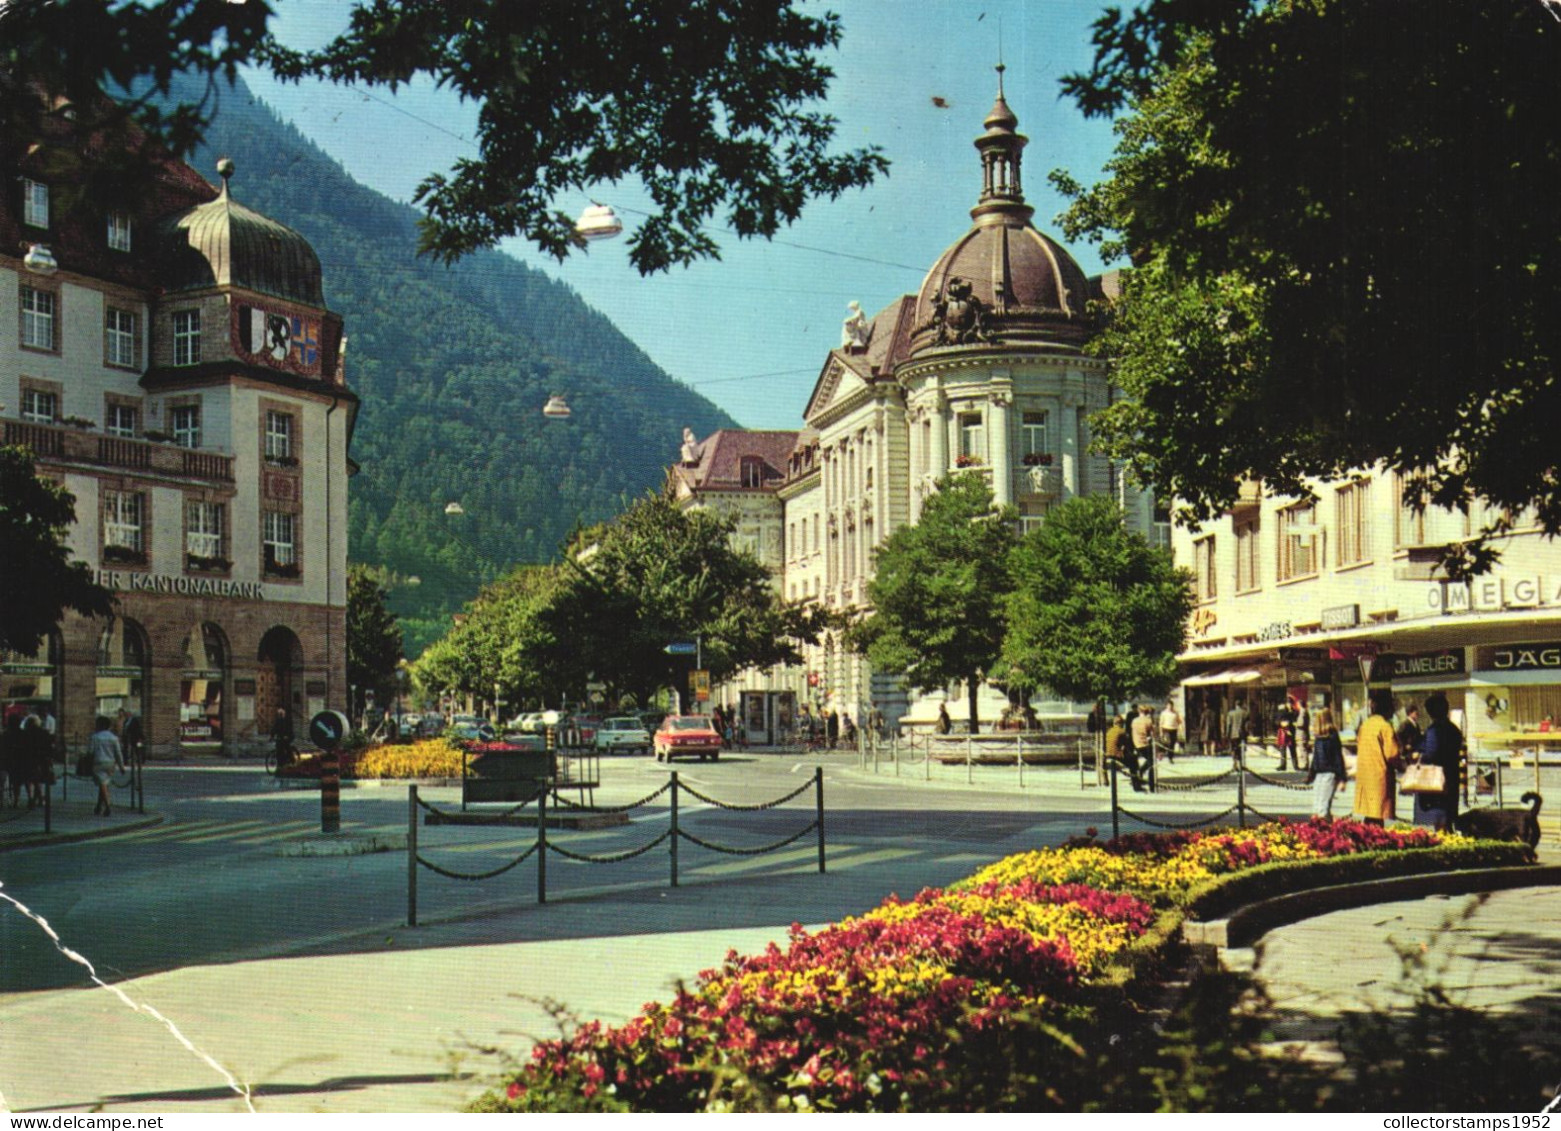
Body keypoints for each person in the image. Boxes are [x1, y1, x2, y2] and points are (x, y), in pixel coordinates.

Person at [1413, 693, 1462, 831]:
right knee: (1448, 817)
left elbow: (1431, 753)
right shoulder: (1454, 729)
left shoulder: (1434, 730)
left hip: (1436, 779)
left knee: (1439, 817)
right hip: (1451, 775)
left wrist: (1419, 755)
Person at [1353, 689, 1400, 826]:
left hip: (1365, 775)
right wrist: (1402, 764)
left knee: (1369, 816)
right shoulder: (1385, 727)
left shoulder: (1365, 725)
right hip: (1380, 777)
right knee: (1378, 816)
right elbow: (1392, 754)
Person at [1305, 708, 1346, 819]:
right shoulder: (1319, 737)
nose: (1313, 723)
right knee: (1316, 808)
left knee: (1323, 809)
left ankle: (1323, 832)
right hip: (1319, 774)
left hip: (1329, 774)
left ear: (1321, 720)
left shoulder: (1332, 736)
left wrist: (1342, 778)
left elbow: (1338, 757)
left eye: (1315, 720)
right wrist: (1311, 775)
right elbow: (1315, 758)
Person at [88, 715, 125, 817]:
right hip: (110, 764)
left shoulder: (95, 737)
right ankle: (99, 806)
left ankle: (108, 805)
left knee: (102, 784)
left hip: (98, 762)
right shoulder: (114, 738)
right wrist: (121, 766)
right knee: (103, 783)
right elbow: (118, 753)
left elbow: (90, 752)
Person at [1105, 714, 1145, 792]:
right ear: (1122, 723)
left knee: (1132, 760)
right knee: (1133, 762)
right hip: (1116, 756)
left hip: (1108, 754)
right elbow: (1128, 745)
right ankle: (1136, 785)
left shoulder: (1109, 731)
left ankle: (1137, 781)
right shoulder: (1122, 731)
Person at [1129, 704, 1155, 776]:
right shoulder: (1148, 721)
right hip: (1145, 743)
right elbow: (1152, 734)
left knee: (1140, 760)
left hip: (1136, 743)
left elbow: (1133, 731)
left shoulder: (1134, 721)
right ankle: (1141, 771)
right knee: (1151, 760)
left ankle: (1140, 773)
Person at [1275, 695, 1298, 771]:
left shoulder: (1294, 711)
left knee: (1292, 749)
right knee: (1283, 749)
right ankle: (1283, 765)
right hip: (1283, 732)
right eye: (1288, 703)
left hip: (1291, 732)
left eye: (1291, 703)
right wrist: (1281, 723)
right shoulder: (1282, 711)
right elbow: (1276, 721)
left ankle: (1295, 765)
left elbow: (1295, 719)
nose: (1290, 705)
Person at [1224, 699, 1248, 764]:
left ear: (1235, 705)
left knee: (1233, 748)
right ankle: (1241, 761)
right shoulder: (1245, 713)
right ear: (1242, 705)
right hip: (1242, 734)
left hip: (1233, 734)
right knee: (1241, 748)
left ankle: (1235, 762)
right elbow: (1247, 725)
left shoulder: (1230, 713)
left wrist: (1227, 734)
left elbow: (1229, 725)